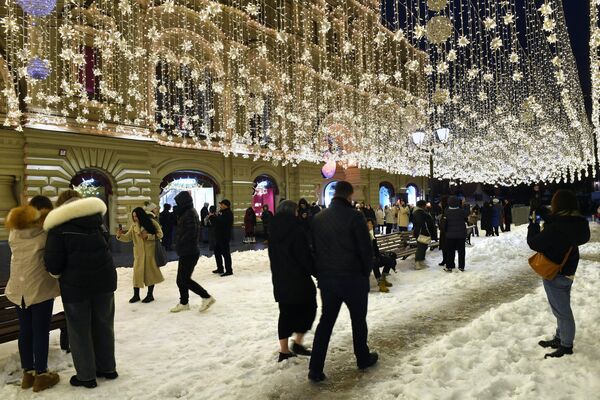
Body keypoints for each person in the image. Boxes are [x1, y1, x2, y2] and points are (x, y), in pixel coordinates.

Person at [43, 190, 117, 389]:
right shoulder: (97, 222)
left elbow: (53, 262)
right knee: (104, 325)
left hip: (75, 287)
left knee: (79, 330)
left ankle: (86, 375)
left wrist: (58, 274)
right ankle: (108, 368)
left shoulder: (58, 227)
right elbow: (107, 247)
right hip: (104, 282)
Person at [309, 181, 377, 383]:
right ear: (349, 196)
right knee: (358, 320)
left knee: (325, 323)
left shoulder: (318, 218)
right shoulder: (355, 216)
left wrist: (320, 274)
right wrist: (366, 272)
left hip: (329, 281)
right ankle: (362, 358)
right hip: (353, 279)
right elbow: (366, 249)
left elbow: (312, 251)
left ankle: (315, 368)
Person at [6, 196, 60, 392]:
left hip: (18, 289)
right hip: (40, 289)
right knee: (40, 331)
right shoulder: (45, 233)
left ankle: (28, 374)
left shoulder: (15, 231)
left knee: (25, 331)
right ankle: (42, 375)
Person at [527, 190, 590, 358]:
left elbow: (534, 243)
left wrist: (532, 224)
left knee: (562, 312)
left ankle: (566, 345)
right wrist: (540, 209)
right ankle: (559, 337)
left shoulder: (557, 228)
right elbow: (557, 221)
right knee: (561, 308)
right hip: (568, 271)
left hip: (555, 273)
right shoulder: (577, 223)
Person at [268, 200, 317, 362]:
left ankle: (284, 350)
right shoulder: (296, 229)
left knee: (285, 313)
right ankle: (297, 342)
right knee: (310, 307)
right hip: (299, 279)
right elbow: (304, 256)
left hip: (280, 278)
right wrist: (316, 272)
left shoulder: (273, 230)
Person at [171, 191, 216, 313]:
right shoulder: (186, 212)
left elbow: (191, 232)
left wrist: (180, 243)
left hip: (189, 251)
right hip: (186, 250)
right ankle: (184, 303)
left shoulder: (189, 213)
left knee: (183, 279)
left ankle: (206, 297)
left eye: (178, 202)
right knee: (182, 279)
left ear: (183, 202)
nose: (176, 205)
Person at [117, 207, 164, 303]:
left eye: (136, 216)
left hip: (150, 253)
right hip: (138, 254)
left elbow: (160, 234)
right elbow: (128, 237)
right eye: (133, 217)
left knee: (150, 275)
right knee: (137, 275)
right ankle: (136, 295)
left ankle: (150, 295)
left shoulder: (152, 223)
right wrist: (120, 235)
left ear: (141, 215)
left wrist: (148, 236)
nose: (135, 218)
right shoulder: (134, 226)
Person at [367, 220, 394, 293]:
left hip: (375, 256)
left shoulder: (372, 233)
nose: (368, 225)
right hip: (367, 258)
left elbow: (375, 247)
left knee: (389, 260)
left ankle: (383, 279)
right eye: (367, 224)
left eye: (370, 223)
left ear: (373, 225)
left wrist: (379, 256)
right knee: (374, 262)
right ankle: (380, 284)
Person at [442, 197, 468, 272]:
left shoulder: (446, 211)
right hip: (461, 235)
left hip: (450, 235)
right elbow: (467, 213)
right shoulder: (461, 211)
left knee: (450, 251)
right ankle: (461, 267)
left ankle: (449, 266)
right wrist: (465, 205)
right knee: (461, 251)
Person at [412, 200, 437, 270]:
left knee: (424, 247)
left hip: (422, 232)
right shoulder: (419, 213)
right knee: (421, 248)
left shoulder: (420, 212)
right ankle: (417, 262)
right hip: (422, 233)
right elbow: (423, 224)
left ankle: (421, 261)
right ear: (422, 206)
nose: (426, 206)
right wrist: (428, 231)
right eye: (425, 205)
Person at [213, 199, 234, 277]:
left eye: (221, 204)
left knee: (226, 254)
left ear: (225, 205)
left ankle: (229, 270)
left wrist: (215, 217)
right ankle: (220, 268)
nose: (220, 206)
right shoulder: (221, 213)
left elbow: (222, 223)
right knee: (217, 253)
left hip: (224, 237)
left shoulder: (228, 213)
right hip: (219, 236)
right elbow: (217, 223)